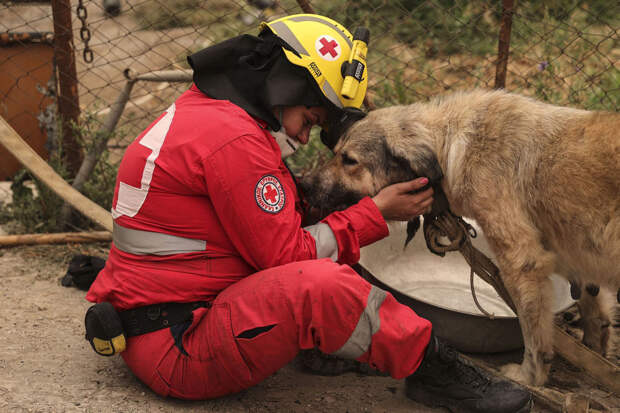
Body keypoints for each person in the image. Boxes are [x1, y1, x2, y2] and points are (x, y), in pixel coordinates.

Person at [86, 13, 532, 413]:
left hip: (163, 322)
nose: (306, 134)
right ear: (290, 86)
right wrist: (375, 213)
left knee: (322, 240)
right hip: (181, 350)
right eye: (313, 116)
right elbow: (288, 259)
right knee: (320, 284)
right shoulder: (233, 142)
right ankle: (435, 371)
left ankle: (327, 347)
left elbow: (272, 221)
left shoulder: (210, 114)